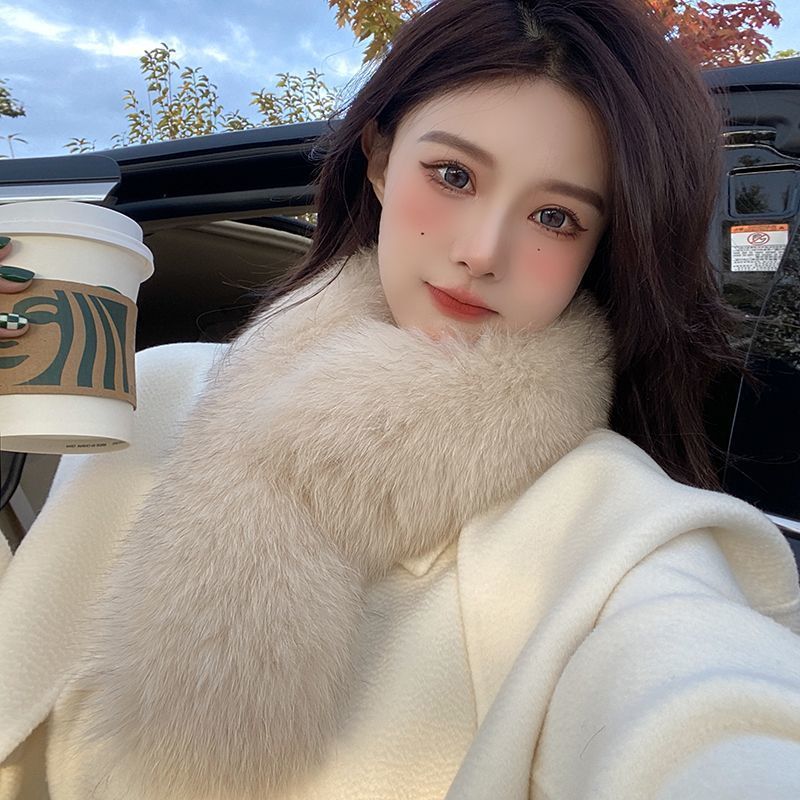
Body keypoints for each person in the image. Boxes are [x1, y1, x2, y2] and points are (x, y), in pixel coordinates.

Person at [1, 0, 800, 798]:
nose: (481, 252)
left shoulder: (612, 526)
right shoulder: (154, 391)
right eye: (453, 175)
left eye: (555, 217)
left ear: (601, 245)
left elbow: (706, 712)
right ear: (381, 161)